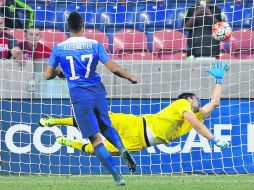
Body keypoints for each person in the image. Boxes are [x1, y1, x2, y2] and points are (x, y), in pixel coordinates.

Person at [40, 61, 230, 156]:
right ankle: (54, 121)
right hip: (135, 124)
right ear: (189, 99)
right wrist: (213, 139)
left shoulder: (195, 112)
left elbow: (214, 103)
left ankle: (66, 141)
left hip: (141, 143)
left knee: (97, 150)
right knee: (95, 120)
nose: (199, 102)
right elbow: (195, 123)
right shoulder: (182, 104)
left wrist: (219, 80)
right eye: (197, 99)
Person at [44, 11, 138, 186]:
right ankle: (122, 148)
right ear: (83, 25)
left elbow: (47, 75)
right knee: (106, 126)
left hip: (80, 98)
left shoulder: (59, 48)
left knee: (95, 139)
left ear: (68, 27)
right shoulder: (95, 44)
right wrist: (129, 76)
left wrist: (59, 72)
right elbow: (113, 68)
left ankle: (117, 176)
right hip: (97, 93)